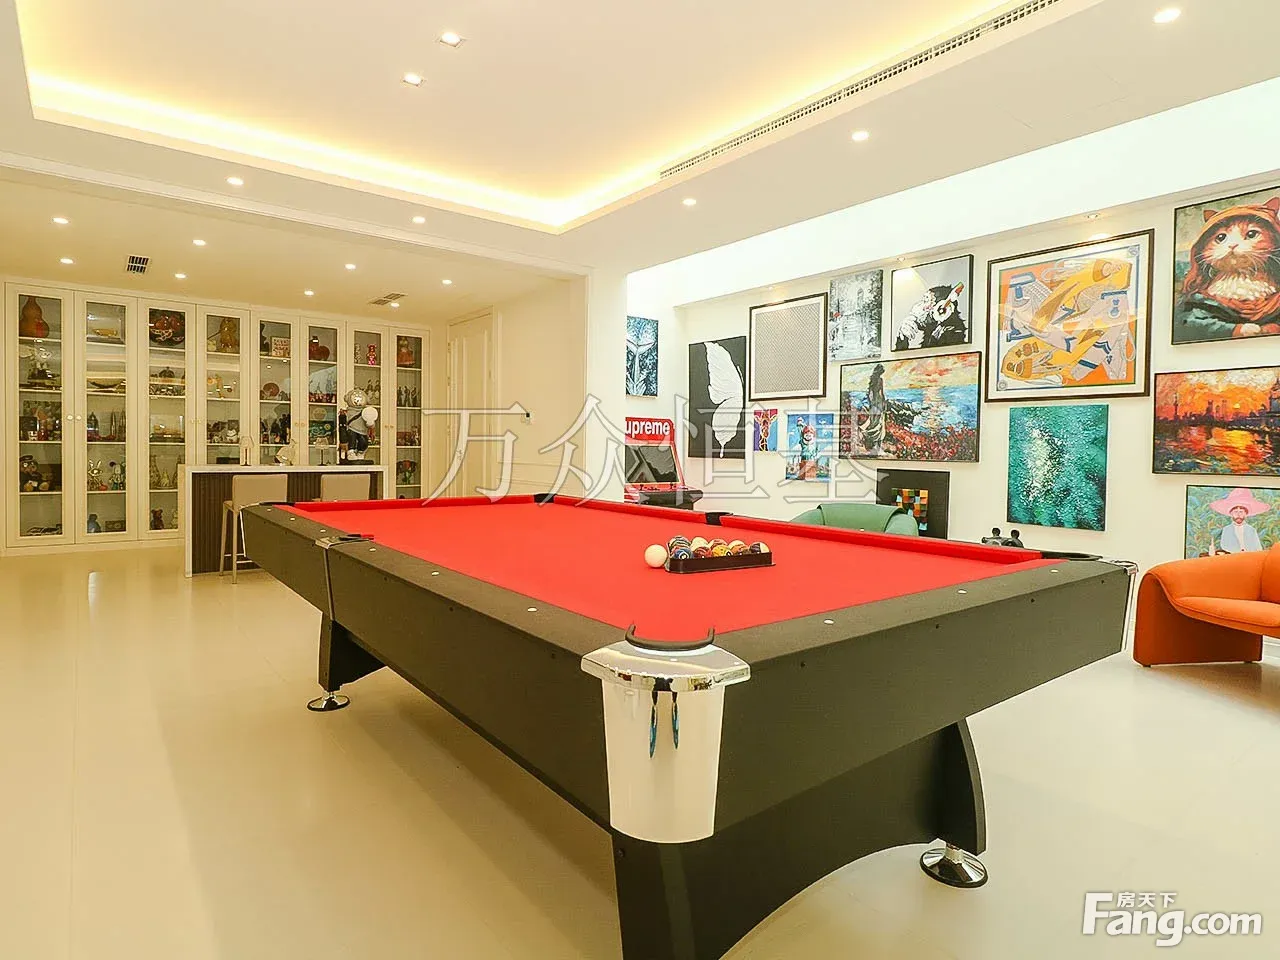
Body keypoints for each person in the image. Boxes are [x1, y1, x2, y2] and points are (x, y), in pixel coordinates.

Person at [1208, 488, 1269, 554]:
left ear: (1246, 514)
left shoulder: (1251, 530)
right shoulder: (1226, 529)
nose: (1238, 514)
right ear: (1231, 514)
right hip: (1232, 557)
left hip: (1250, 556)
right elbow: (1224, 546)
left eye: (1241, 512)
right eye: (1235, 512)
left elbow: (1258, 548)